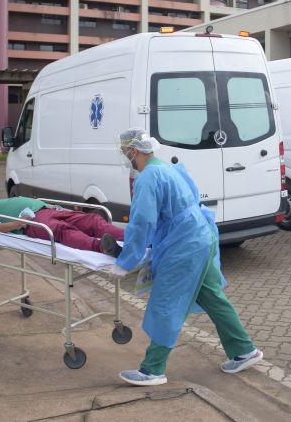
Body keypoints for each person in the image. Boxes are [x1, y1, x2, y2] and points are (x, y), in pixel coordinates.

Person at [109, 127, 262, 386]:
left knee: (166, 302)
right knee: (212, 297)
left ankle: (152, 370)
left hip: (184, 245)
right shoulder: (168, 169)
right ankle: (244, 350)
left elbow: (142, 221)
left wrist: (126, 261)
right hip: (201, 236)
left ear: (134, 151)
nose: (125, 157)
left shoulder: (148, 177)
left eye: (125, 152)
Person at [0, 194, 123, 256]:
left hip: (49, 210)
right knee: (61, 230)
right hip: (32, 220)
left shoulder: (1, 201)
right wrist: (14, 224)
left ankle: (128, 237)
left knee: (91, 220)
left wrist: (49, 205)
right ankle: (102, 247)